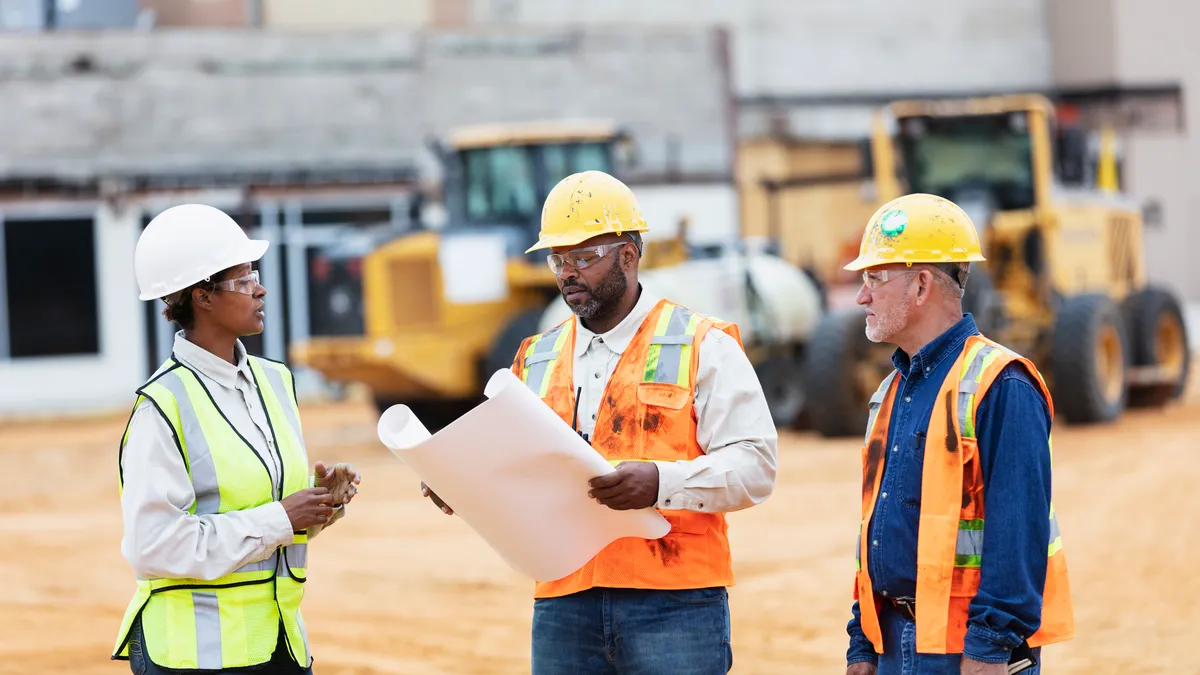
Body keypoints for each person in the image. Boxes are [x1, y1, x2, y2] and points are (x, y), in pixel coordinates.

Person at [421, 170, 779, 674]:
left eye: (584, 258)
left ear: (629, 256)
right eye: (558, 260)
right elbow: (516, 466)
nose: (568, 273)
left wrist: (660, 482)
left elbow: (756, 468)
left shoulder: (703, 344)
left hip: (674, 601)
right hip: (565, 599)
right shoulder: (536, 357)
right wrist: (461, 482)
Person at [111, 203, 362, 674]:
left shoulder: (275, 382)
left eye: (256, 274)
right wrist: (281, 517)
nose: (260, 288)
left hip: (279, 644)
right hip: (195, 656)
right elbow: (153, 545)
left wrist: (319, 503)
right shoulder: (161, 406)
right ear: (202, 297)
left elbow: (268, 516)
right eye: (243, 279)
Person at [841, 193, 1074, 675]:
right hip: (893, 644)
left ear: (922, 285)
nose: (862, 296)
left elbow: (1018, 532)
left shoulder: (1002, 383)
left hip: (965, 652)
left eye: (874, 279)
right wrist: (862, 643)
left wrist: (988, 648)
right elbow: (875, 533)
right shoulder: (891, 390)